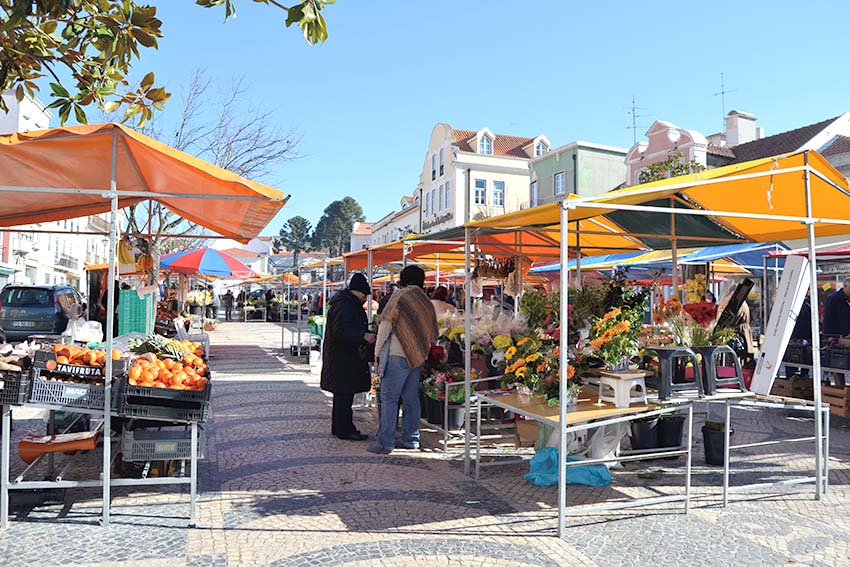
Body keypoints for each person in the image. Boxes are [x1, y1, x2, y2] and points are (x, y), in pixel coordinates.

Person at [369, 265, 439, 454]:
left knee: (389, 399)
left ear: (403, 279)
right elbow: (433, 331)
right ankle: (411, 439)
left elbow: (386, 323)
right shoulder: (426, 301)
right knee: (411, 399)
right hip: (417, 356)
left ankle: (385, 442)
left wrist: (377, 352)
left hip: (397, 354)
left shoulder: (400, 296)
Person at [320, 273, 377, 441]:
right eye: (364, 296)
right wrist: (363, 335)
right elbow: (341, 331)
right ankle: (345, 429)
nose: (365, 300)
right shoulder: (346, 306)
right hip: (343, 358)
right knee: (344, 395)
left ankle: (340, 427)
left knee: (342, 396)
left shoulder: (344, 303)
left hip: (341, 357)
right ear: (358, 292)